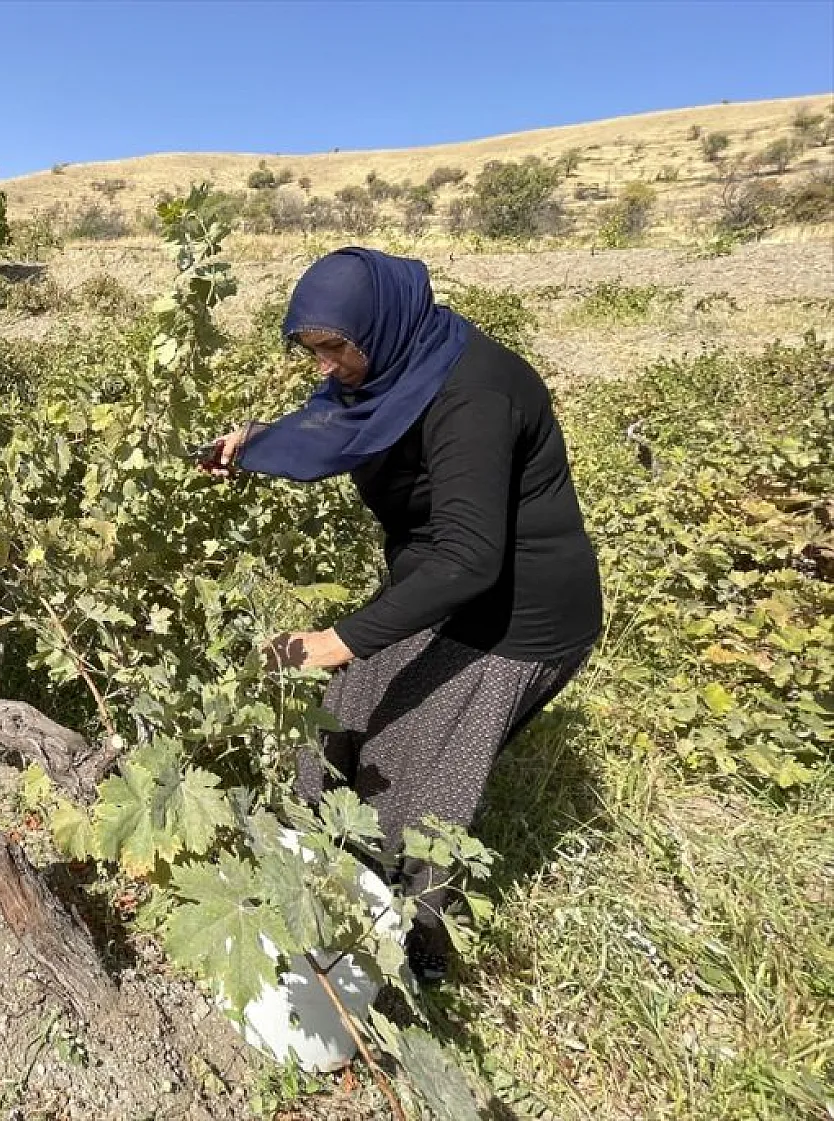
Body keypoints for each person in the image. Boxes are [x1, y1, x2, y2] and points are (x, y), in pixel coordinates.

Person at [207, 247, 602, 983]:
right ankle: (316, 877)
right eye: (311, 350)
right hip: (435, 586)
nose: (323, 366)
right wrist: (256, 441)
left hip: (518, 616)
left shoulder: (473, 394)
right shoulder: (394, 368)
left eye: (334, 348)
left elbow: (470, 559)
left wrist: (337, 637)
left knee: (418, 780)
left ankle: (412, 953)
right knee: (346, 716)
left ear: (382, 327)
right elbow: (337, 418)